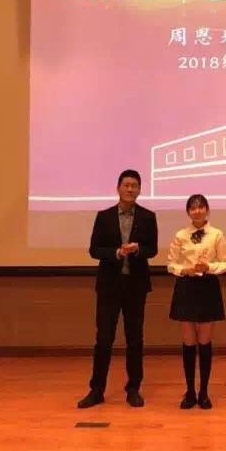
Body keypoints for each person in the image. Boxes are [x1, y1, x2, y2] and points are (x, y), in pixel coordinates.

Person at [78, 169, 159, 409]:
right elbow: (94, 250)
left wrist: (137, 249)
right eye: (126, 185)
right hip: (109, 286)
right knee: (103, 338)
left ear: (140, 190)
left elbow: (152, 249)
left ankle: (133, 388)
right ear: (118, 188)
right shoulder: (104, 216)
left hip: (135, 286)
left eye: (135, 185)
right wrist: (115, 253)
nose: (130, 189)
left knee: (135, 339)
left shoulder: (148, 217)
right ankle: (97, 390)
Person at [167, 194, 226, 410]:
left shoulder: (217, 234)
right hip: (186, 287)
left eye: (200, 207)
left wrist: (209, 267)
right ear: (188, 212)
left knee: (204, 341)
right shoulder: (180, 235)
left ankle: (204, 391)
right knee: (188, 341)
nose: (197, 211)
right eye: (193, 208)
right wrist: (184, 270)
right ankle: (189, 392)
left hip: (207, 287)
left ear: (207, 210)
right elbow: (171, 264)